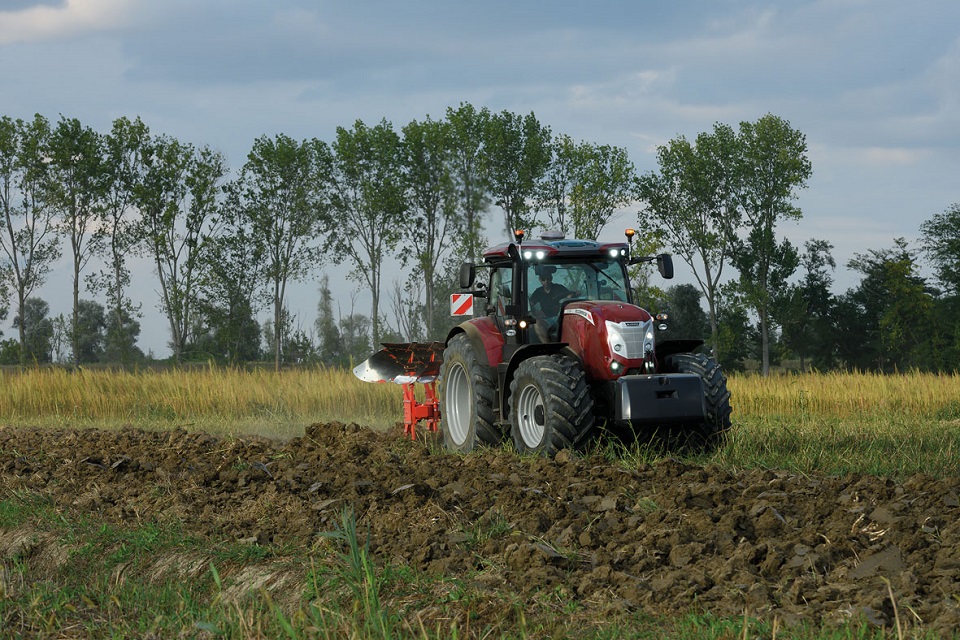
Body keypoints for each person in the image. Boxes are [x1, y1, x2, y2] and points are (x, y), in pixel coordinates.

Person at [529, 266, 576, 341]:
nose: (546, 281)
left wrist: (570, 296)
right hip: (546, 319)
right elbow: (530, 303)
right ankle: (547, 347)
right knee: (536, 324)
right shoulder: (538, 292)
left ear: (551, 278)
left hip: (560, 318)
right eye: (543, 279)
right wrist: (534, 312)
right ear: (540, 280)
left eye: (548, 279)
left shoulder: (559, 288)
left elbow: (571, 295)